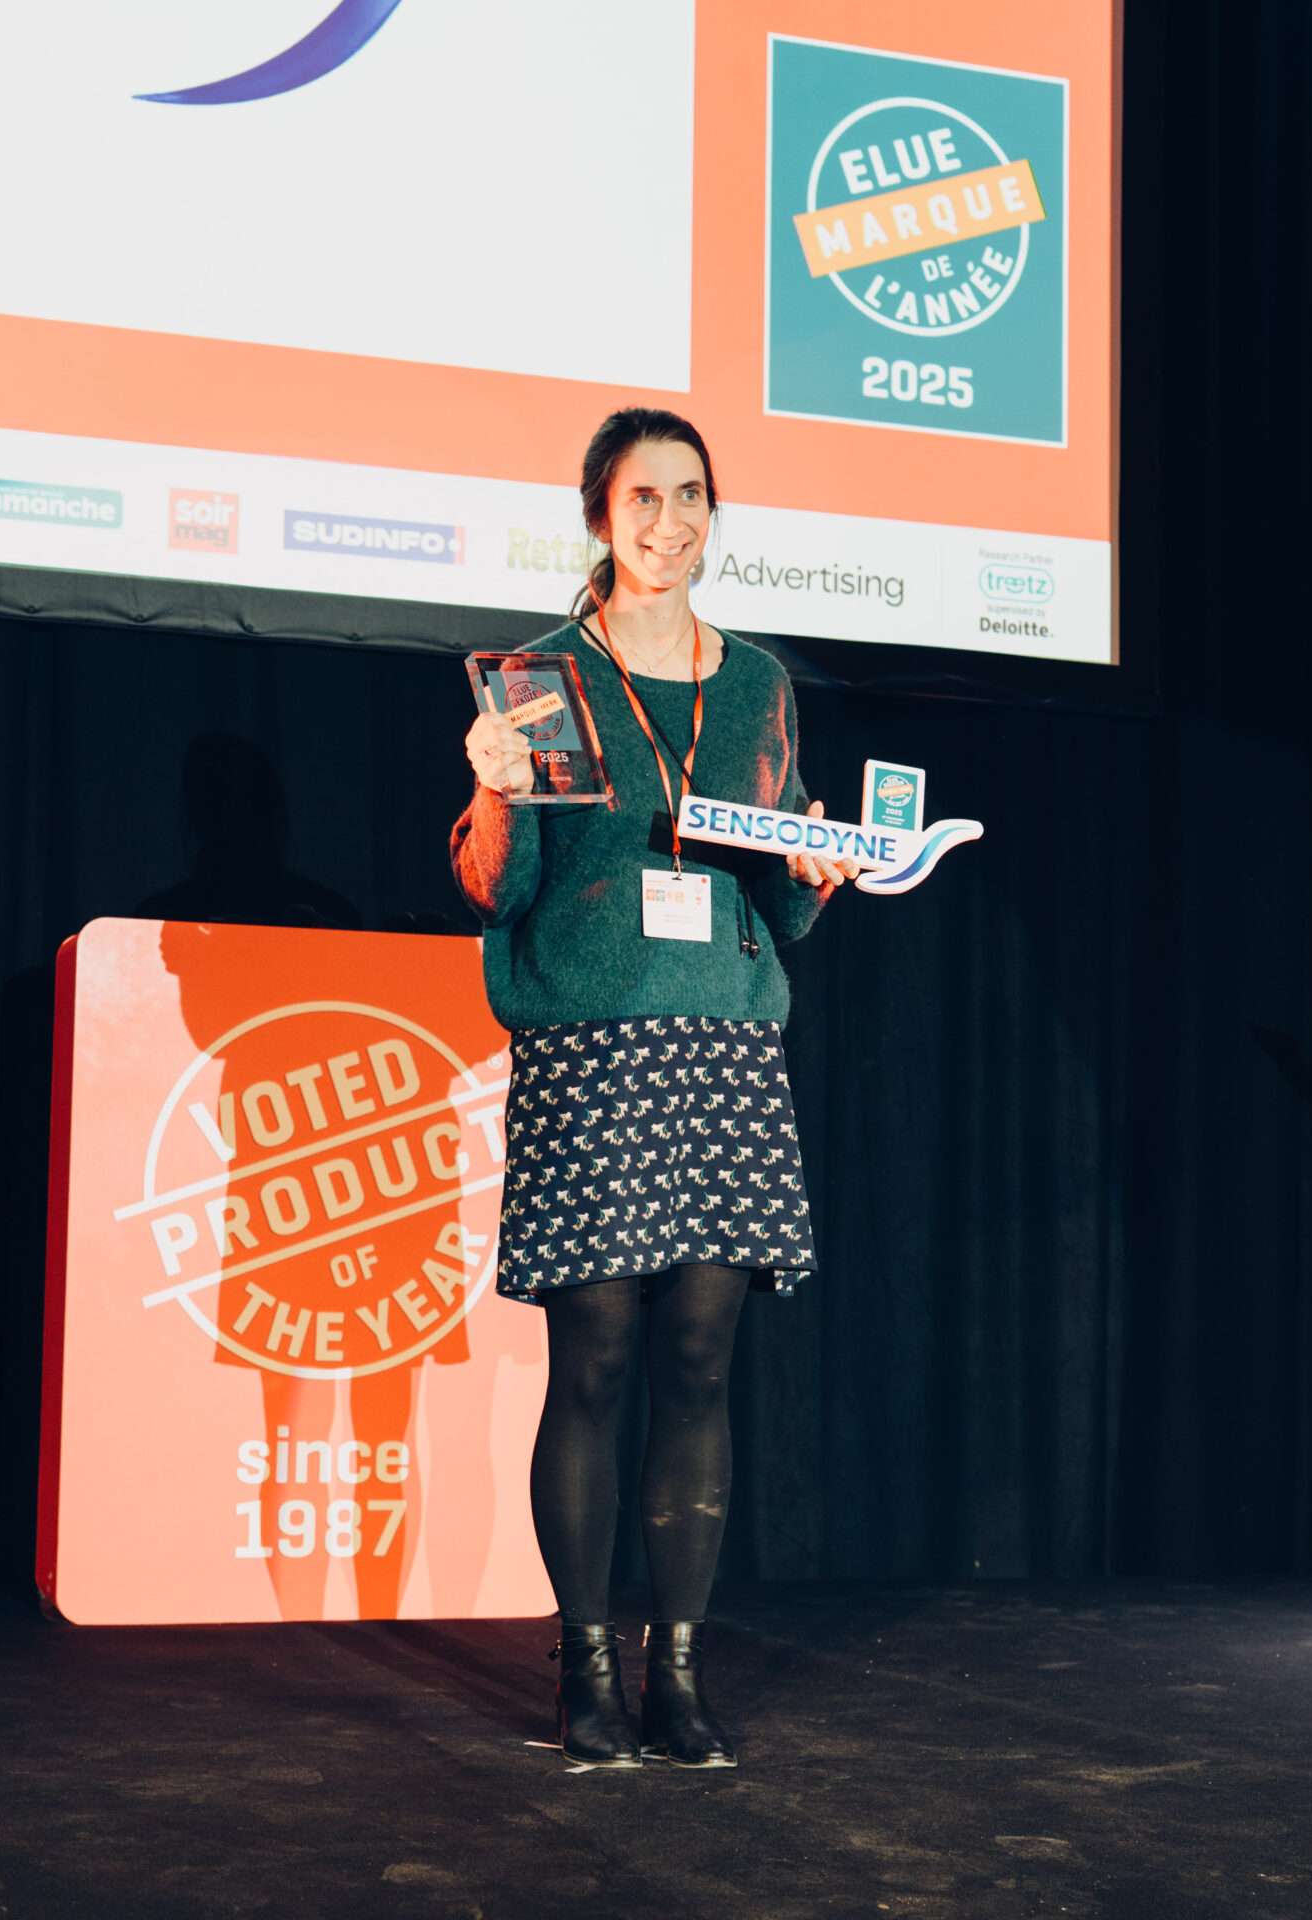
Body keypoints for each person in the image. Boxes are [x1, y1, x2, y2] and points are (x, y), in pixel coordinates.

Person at [450, 407, 858, 1767]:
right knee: (599, 1359)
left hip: (726, 1049)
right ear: (599, 516)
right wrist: (498, 795)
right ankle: (585, 1669)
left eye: (691, 497)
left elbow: (777, 894)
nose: (670, 523)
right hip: (595, 1044)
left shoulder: (760, 686)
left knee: (698, 1363)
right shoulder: (542, 679)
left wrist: (813, 871)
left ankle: (674, 1672)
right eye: (643, 498)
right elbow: (499, 889)